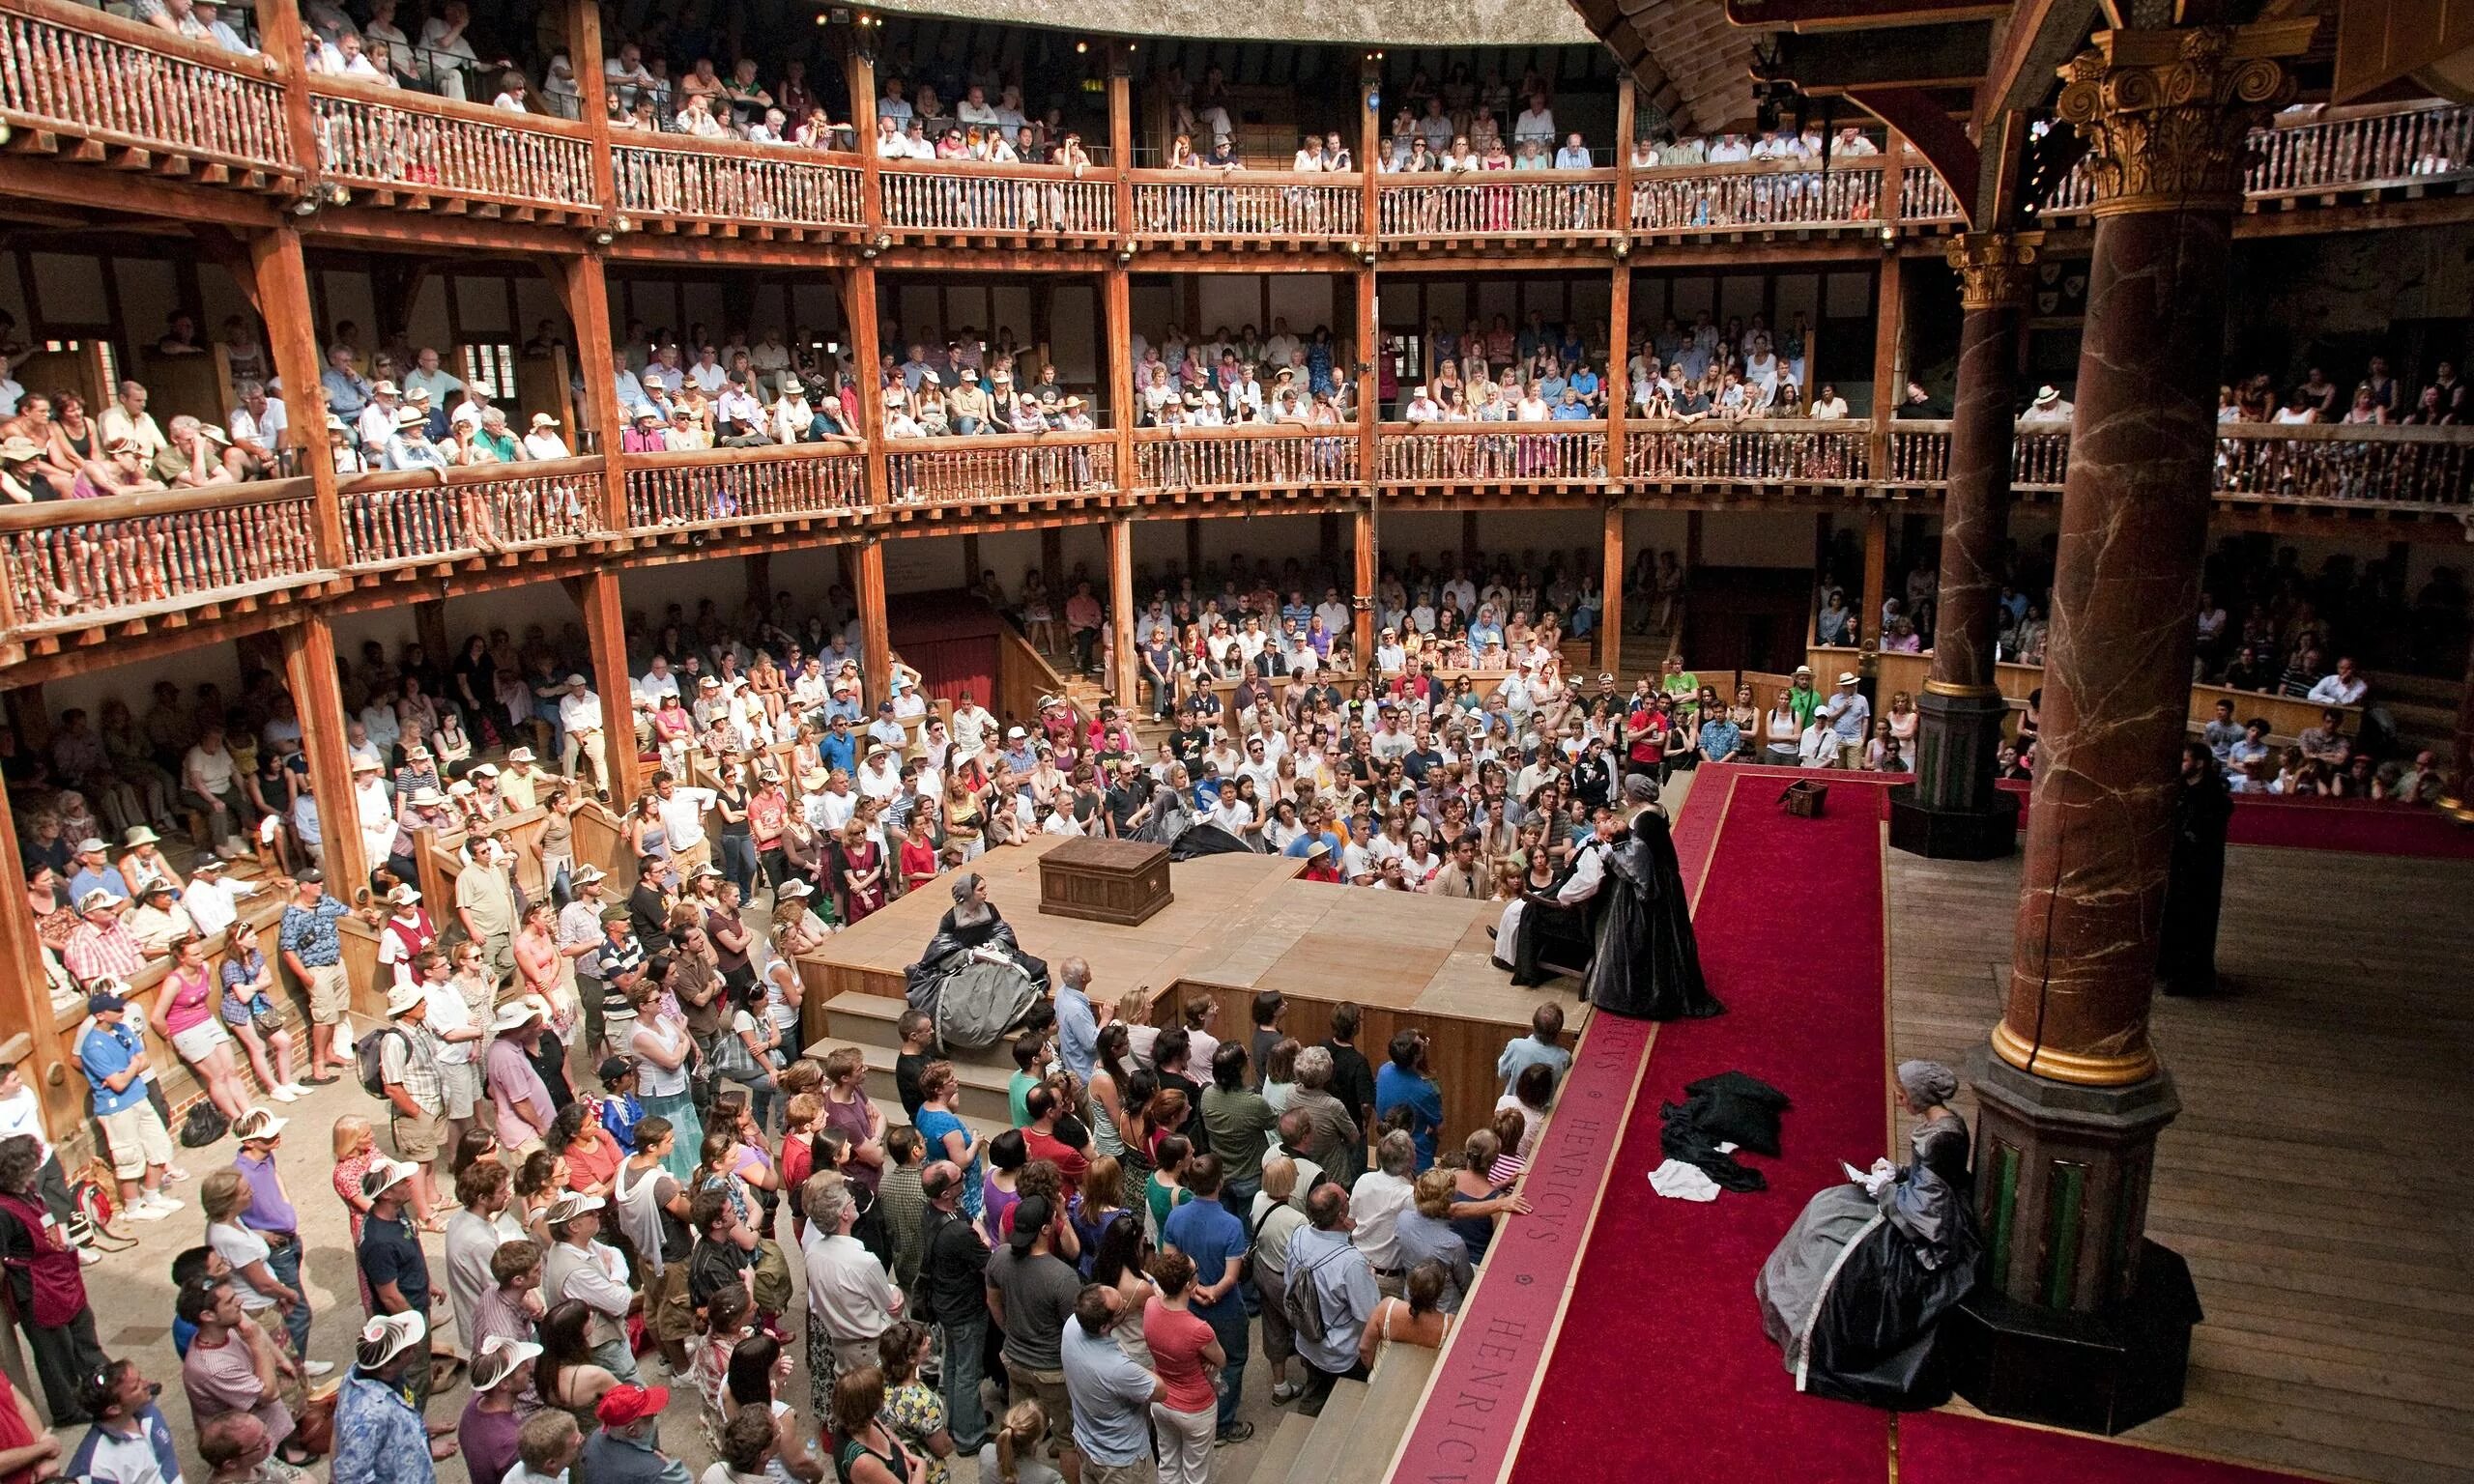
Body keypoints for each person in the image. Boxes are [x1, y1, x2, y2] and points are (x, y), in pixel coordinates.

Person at [1756, 1060, 1980, 1408]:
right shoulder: (1943, 1125)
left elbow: (1930, 1213)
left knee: (1834, 1237)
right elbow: (1929, 1180)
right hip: (1914, 1202)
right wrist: (1897, 1173)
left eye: (1903, 1094)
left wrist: (1886, 1190)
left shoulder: (1941, 1137)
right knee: (1826, 1205)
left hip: (1923, 1231)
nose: (1899, 1099)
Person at [1584, 776, 1722, 1020]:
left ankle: (1644, 996)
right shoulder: (1657, 811)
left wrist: (1609, 854)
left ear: (1635, 794)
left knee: (1644, 940)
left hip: (1649, 888)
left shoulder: (1644, 820)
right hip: (1667, 882)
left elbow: (1638, 865)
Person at [0, 1134, 107, 1428]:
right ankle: (67, 1409)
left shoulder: (30, 1193)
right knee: (55, 1355)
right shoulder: (3, 1210)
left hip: (61, 1277)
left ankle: (104, 1387)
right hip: (37, 1290)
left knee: (84, 1337)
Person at [1488, 808, 1618, 985]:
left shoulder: (1595, 854)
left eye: (1611, 822)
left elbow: (1588, 884)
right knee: (1516, 907)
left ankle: (1509, 959)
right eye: (1608, 820)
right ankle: (1505, 945)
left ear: (1608, 837)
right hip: (1562, 896)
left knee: (1518, 910)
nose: (1609, 819)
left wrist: (1561, 896)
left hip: (1567, 910)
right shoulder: (1594, 850)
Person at [1284, 1183, 1380, 1414]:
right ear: (1341, 1214)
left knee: (1315, 1391)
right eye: (1347, 1198)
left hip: (1307, 1341)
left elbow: (1289, 1282)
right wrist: (1371, 1280)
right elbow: (1369, 1314)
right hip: (1341, 1354)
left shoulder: (1298, 1236)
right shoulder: (1351, 1262)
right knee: (1349, 1407)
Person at [1059, 1284, 1165, 1484]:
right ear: (1104, 1326)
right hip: (1122, 1462)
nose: (1125, 1303)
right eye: (1120, 1309)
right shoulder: (1118, 1368)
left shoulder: (1072, 1325)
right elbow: (1160, 1390)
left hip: (1086, 1444)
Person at [2157, 743, 2233, 997]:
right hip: (2178, 864)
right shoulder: (2181, 789)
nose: (2180, 766)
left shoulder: (2211, 796)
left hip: (2199, 870)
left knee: (2192, 921)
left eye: (2185, 760)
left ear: (2200, 763)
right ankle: (2168, 965)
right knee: (2171, 917)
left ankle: (2189, 976)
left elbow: (2202, 834)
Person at [331, 1312, 442, 1479]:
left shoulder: (359, 1373)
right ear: (387, 1366)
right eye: (407, 1350)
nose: (416, 1346)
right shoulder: (368, 1416)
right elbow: (350, 1477)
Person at [65, 1357, 183, 1484]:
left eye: (140, 1377)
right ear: (114, 1409)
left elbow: (170, 1461)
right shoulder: (98, 1470)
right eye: (136, 1386)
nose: (147, 1383)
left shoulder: (149, 1412)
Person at [579, 1382, 695, 1483]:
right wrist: (673, 1468)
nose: (654, 1418)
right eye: (651, 1416)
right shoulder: (657, 1471)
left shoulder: (595, 1438)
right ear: (632, 1430)